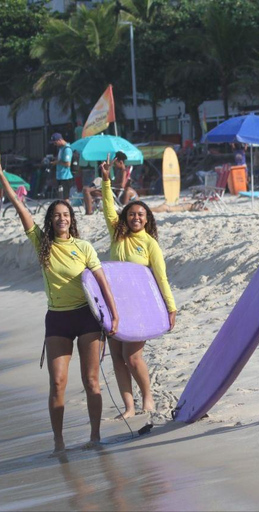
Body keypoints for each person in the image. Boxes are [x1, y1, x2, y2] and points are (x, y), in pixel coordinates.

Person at [0, 154, 119, 454]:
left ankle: (96, 436)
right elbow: (19, 207)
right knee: (57, 384)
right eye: (57, 215)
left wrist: (114, 315)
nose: (62, 218)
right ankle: (59, 442)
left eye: (66, 214)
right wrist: (1, 177)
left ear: (72, 220)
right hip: (58, 319)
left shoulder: (83, 247)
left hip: (87, 317)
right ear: (51, 220)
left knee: (91, 381)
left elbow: (103, 283)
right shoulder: (42, 244)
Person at [100, 154, 177, 418]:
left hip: (139, 306)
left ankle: (147, 397)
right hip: (114, 305)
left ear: (147, 220)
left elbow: (161, 276)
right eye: (131, 214)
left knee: (132, 357)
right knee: (117, 358)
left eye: (140, 215)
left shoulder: (150, 245)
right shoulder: (117, 234)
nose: (135, 217)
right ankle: (129, 407)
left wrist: (171, 307)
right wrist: (106, 180)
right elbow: (108, 209)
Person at [50, 133, 74, 202]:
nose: (54, 144)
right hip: (60, 176)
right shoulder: (61, 148)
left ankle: (68, 211)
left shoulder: (67, 149)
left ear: (60, 140)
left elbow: (67, 163)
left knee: (65, 198)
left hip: (65, 177)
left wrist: (56, 162)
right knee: (61, 197)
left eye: (55, 142)